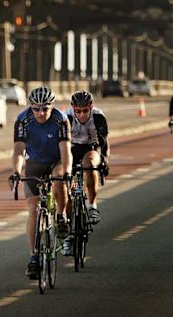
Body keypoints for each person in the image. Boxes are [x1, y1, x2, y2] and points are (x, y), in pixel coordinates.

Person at [9, 86, 72, 278]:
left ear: (52, 107)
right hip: (35, 162)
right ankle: (34, 257)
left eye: (45, 108)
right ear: (31, 107)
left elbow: (65, 150)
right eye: (36, 108)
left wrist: (67, 171)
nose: (40, 113)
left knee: (59, 178)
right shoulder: (23, 119)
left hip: (56, 160)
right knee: (34, 209)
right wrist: (15, 172)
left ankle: (61, 216)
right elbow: (19, 151)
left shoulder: (60, 120)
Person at [62, 91, 110, 256]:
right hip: (72, 149)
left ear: (91, 107)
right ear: (73, 109)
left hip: (91, 147)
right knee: (67, 190)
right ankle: (69, 233)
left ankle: (92, 205)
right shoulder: (65, 118)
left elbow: (103, 142)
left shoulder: (98, 116)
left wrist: (104, 160)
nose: (82, 115)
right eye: (78, 111)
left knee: (89, 164)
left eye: (85, 111)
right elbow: (60, 144)